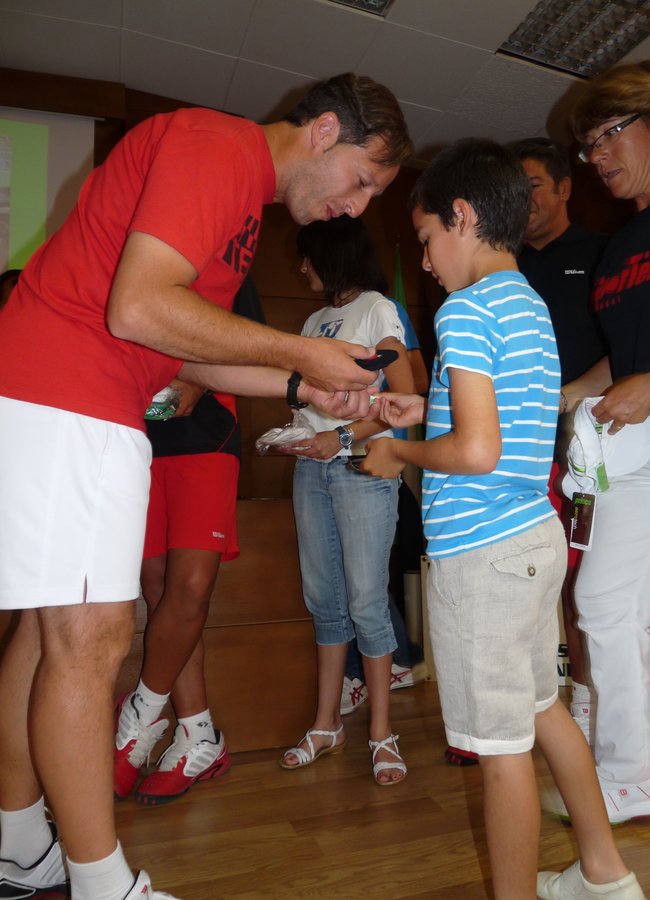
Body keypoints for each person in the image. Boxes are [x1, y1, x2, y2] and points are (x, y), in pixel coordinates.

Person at [0, 73, 412, 900]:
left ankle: (16, 845)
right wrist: (297, 352)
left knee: (50, 638)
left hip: (67, 394)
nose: (358, 206)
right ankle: (101, 884)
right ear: (323, 131)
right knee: (90, 640)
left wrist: (306, 388)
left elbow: (182, 351)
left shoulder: (238, 199)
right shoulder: (217, 147)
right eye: (363, 179)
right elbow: (137, 309)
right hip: (70, 394)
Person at [363, 139, 645, 899]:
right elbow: (506, 416)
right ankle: (605, 874)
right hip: (530, 537)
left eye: (426, 239)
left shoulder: (463, 309)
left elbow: (477, 449)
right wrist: (426, 409)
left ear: (461, 215)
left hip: (482, 554)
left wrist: (398, 452)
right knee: (544, 710)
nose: (425, 261)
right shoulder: (526, 301)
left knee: (499, 747)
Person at [547, 58, 650, 825]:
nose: (596, 156)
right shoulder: (620, 247)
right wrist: (564, 399)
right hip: (638, 451)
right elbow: (619, 358)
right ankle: (635, 775)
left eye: (608, 135)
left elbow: (648, 369)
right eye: (587, 145)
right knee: (601, 598)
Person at [114, 277, 264, 807]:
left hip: (207, 436)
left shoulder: (229, 265)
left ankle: (138, 719)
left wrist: (193, 383)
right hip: (139, 441)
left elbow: (251, 343)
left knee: (190, 588)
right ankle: (199, 735)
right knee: (158, 589)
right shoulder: (135, 263)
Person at [279, 214, 414, 785]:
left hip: (361, 467)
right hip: (311, 469)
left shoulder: (378, 308)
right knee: (324, 600)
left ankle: (382, 734)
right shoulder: (313, 321)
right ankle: (326, 723)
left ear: (333, 255)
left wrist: (340, 437)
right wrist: (295, 435)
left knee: (366, 600)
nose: (302, 267)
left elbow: (403, 396)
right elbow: (306, 400)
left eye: (308, 256)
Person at [510, 137, 608, 742]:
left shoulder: (601, 252)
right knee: (525, 582)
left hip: (586, 451)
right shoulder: (505, 261)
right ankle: (525, 708)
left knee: (584, 586)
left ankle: (588, 700)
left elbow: (623, 348)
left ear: (565, 188)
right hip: (517, 452)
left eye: (534, 188)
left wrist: (572, 396)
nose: (524, 202)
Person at [340, 294, 427, 716]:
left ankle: (391, 664)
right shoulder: (325, 316)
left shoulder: (383, 308)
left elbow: (416, 381)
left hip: (378, 456)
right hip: (349, 455)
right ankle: (387, 662)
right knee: (355, 579)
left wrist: (366, 419)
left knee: (365, 581)